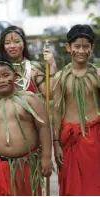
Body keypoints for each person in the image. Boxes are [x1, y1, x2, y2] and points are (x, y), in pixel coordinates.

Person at [0, 60, 53, 195]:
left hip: (27, 165)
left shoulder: (29, 99)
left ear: (15, 76)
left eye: (6, 75)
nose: (2, 80)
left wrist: (46, 156)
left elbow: (43, 128)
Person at [52, 24, 100, 196]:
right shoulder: (60, 78)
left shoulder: (97, 75)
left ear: (92, 48)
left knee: (94, 185)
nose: (81, 50)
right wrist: (56, 143)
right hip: (70, 139)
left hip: (94, 137)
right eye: (77, 46)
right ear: (68, 47)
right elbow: (56, 112)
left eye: (86, 46)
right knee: (72, 188)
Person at [0, 25, 57, 98]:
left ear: (24, 44)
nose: (12, 46)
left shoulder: (33, 68)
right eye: (7, 43)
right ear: (2, 46)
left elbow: (50, 95)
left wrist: (52, 65)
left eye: (17, 41)